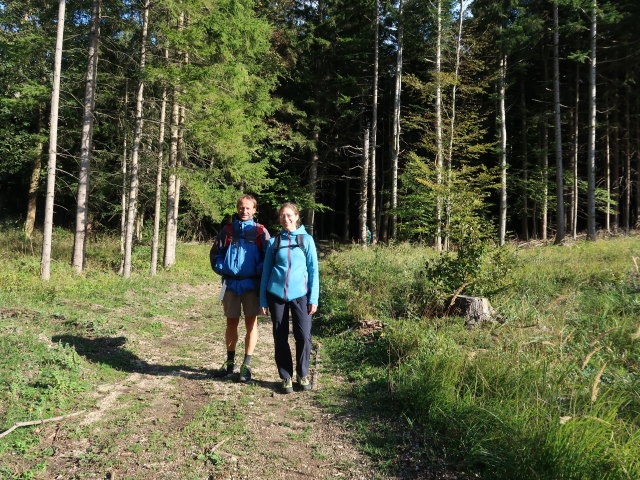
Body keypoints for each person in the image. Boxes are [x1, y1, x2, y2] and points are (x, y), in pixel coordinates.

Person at [260, 202, 319, 394]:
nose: (286, 219)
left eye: (289, 215)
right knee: (280, 336)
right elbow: (266, 272)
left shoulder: (306, 240)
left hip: (301, 295)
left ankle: (303, 374)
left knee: (303, 335)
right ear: (279, 219)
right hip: (276, 295)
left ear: (296, 216)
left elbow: (313, 271)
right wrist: (263, 300)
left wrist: (314, 298)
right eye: (282, 216)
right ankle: (285, 377)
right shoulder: (274, 242)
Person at [210, 195, 270, 382]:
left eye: (248, 208)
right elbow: (216, 254)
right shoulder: (227, 231)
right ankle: (230, 364)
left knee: (251, 323)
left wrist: (258, 270)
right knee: (231, 323)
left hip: (252, 284)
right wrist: (222, 268)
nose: (244, 211)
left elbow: (268, 257)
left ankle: (246, 366)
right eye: (241, 208)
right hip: (230, 284)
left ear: (254, 210)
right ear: (237, 209)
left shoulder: (260, 231)